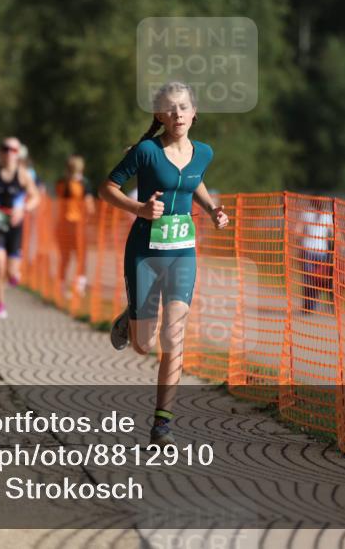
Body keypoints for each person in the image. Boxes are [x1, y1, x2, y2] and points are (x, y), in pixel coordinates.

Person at [98, 81, 228, 446]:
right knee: (144, 343)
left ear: (194, 112)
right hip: (145, 250)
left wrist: (212, 209)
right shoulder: (146, 152)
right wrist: (138, 208)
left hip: (182, 252)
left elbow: (194, 181)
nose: (178, 114)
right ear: (159, 114)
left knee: (174, 336)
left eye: (184, 107)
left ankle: (162, 425)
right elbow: (106, 188)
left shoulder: (203, 152)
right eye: (170, 109)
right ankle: (129, 318)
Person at [0, 137, 40, 319]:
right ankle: (0, 304)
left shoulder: (23, 174)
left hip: (15, 223)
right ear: (1, 152)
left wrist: (23, 208)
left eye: (13, 149)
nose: (9, 153)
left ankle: (14, 271)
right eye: (5, 149)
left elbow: (35, 197)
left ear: (18, 153)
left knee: (10, 272)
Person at [55, 155, 95, 299]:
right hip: (78, 226)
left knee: (65, 258)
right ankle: (79, 288)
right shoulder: (84, 184)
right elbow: (90, 207)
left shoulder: (61, 183)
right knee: (81, 258)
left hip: (62, 224)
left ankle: (61, 287)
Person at [295, 196, 334, 315]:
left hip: (319, 253)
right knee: (310, 279)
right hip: (312, 252)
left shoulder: (324, 215)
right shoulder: (308, 213)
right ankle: (309, 305)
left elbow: (333, 232)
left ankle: (311, 305)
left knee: (314, 279)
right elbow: (298, 230)